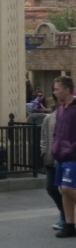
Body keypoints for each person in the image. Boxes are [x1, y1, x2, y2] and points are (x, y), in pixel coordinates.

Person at [52, 75, 76, 238]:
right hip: (60, 155)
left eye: (56, 89)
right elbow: (57, 133)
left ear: (67, 90)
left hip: (73, 156)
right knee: (64, 190)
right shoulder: (60, 109)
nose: (54, 93)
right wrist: (55, 147)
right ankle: (69, 225)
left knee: (68, 187)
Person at [42, 100, 65, 231]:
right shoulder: (49, 118)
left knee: (66, 190)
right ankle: (65, 213)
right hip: (51, 160)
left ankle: (65, 217)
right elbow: (43, 137)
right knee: (51, 188)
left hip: (66, 159)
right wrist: (44, 152)